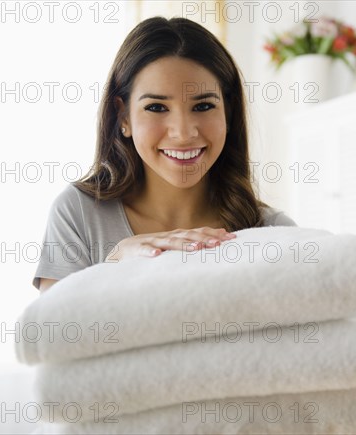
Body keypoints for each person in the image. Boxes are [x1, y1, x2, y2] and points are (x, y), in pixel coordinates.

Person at [33, 16, 296, 292]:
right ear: (123, 116)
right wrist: (112, 267)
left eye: (204, 106)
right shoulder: (79, 213)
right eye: (157, 107)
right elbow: (53, 332)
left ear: (228, 113)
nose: (183, 134)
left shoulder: (272, 231)